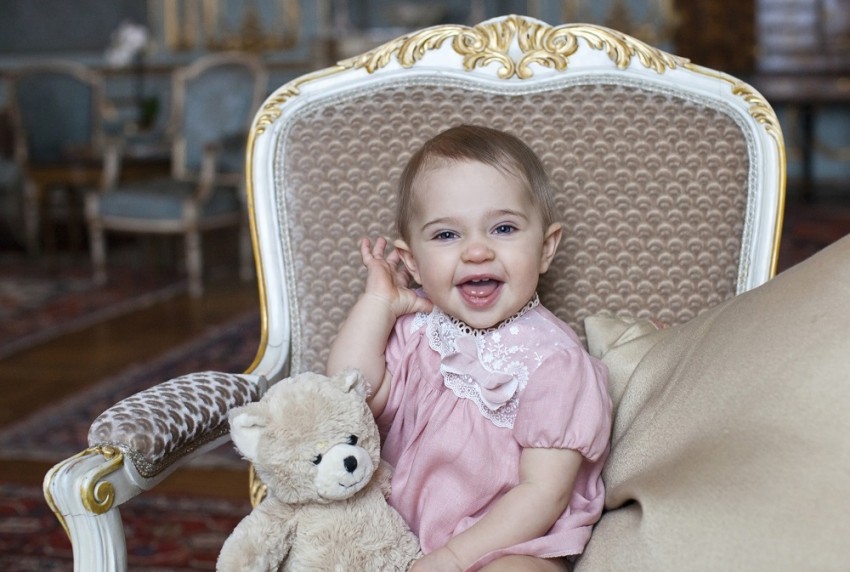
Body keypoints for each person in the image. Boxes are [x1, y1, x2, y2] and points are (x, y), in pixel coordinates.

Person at [327, 125, 612, 572]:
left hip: (511, 539)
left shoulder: (555, 362)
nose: (477, 252)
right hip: (398, 535)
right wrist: (378, 303)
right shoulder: (418, 330)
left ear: (545, 248)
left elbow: (543, 492)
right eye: (446, 235)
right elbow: (347, 394)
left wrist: (454, 559)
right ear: (412, 261)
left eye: (503, 228)